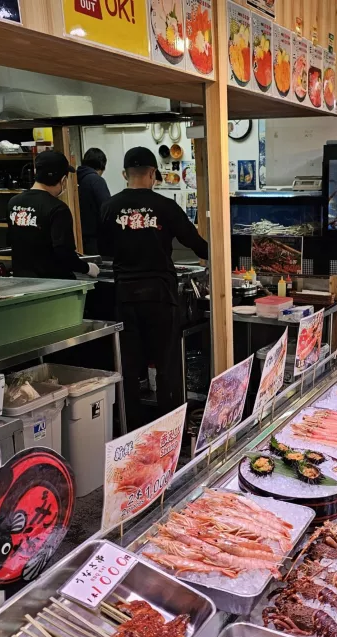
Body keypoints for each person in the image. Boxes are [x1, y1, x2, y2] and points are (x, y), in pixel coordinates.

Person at [99, 147, 209, 427]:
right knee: (166, 366)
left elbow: (103, 249)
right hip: (160, 295)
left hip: (124, 295)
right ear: (152, 174)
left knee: (129, 368)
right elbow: (194, 242)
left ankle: (131, 430)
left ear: (125, 174)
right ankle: (170, 430)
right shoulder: (165, 206)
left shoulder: (109, 207)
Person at [7, 151, 99, 280]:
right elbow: (64, 252)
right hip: (53, 286)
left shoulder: (13, 203)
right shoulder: (57, 208)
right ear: (63, 179)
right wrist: (87, 268)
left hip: (22, 282)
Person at [77, 147, 111, 255]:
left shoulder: (76, 179)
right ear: (102, 165)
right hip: (96, 238)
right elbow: (107, 207)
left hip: (81, 236)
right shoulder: (96, 180)